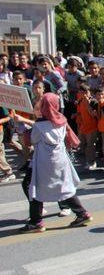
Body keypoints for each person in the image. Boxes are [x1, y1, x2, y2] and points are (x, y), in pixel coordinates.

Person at [16, 93, 93, 233]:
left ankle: (36, 221)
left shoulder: (40, 125)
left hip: (43, 162)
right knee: (63, 187)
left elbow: (29, 141)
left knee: (33, 188)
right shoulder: (61, 120)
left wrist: (22, 128)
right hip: (60, 160)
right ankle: (82, 213)